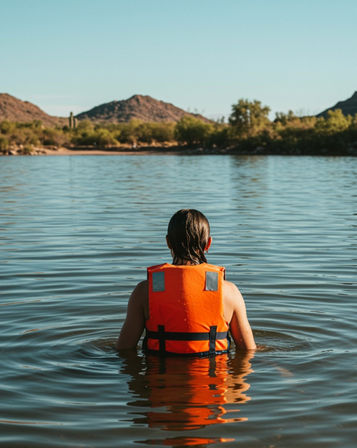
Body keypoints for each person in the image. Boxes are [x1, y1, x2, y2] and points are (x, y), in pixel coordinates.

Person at [117, 209, 256, 354]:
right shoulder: (229, 292)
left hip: (160, 376)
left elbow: (124, 350)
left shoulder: (144, 291)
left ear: (168, 242)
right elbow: (248, 351)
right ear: (208, 243)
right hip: (213, 375)